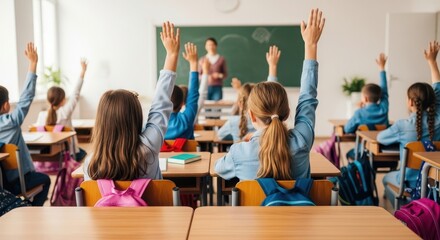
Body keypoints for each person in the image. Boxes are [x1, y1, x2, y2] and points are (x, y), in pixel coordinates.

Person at [215, 8, 325, 180]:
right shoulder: (302, 140)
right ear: (287, 112)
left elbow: (218, 169)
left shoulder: (239, 153)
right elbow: (308, 98)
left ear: (251, 115)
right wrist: (310, 46)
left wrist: (245, 145)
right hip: (300, 208)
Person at [84, 21, 180, 180]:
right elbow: (160, 105)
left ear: (101, 121)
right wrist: (172, 55)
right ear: (135, 117)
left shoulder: (90, 164)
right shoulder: (148, 147)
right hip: (151, 206)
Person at [378, 41, 440, 207]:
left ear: (411, 102)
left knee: (385, 179)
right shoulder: (439, 119)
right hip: (434, 182)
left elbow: (380, 138)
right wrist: (432, 62)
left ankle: (406, 209)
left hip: (408, 181)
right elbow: (438, 88)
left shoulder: (402, 125)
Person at [0, 42, 51, 206]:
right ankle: (31, 210)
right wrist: (32, 64)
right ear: (6, 105)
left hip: (3, 185)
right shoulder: (11, 122)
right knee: (46, 180)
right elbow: (25, 99)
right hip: (18, 182)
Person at [217, 45, 281, 142]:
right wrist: (273, 66)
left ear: (240, 103)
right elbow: (272, 95)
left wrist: (239, 137)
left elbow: (220, 135)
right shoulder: (269, 122)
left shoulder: (233, 122)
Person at [36, 59, 88, 160]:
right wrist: (83, 71)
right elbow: (75, 94)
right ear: (63, 100)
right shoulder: (65, 112)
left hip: (47, 154)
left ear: (48, 100)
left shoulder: (41, 115)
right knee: (83, 153)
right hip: (67, 154)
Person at [344, 53, 389, 134]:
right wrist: (382, 69)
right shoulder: (384, 109)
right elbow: (384, 92)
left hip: (364, 146)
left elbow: (347, 129)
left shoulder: (359, 113)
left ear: (365, 98)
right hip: (382, 145)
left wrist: (360, 109)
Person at [164, 42, 200, 140]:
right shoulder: (186, 120)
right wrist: (194, 63)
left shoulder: (156, 123)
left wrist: (171, 54)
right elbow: (193, 94)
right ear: (182, 103)